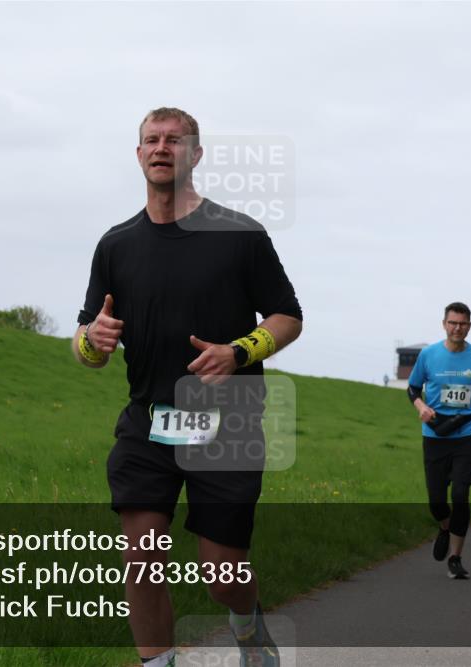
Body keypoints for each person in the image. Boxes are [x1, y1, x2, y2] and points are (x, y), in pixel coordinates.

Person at [73, 107, 303, 667]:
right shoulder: (116, 244)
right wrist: (90, 340)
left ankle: (246, 627)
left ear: (195, 154)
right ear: (138, 154)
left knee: (222, 576)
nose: (161, 147)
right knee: (141, 554)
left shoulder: (240, 234)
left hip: (230, 422)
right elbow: (86, 341)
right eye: (151, 140)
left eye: (174, 140)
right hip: (148, 423)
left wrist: (240, 351)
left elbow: (287, 316)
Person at [407, 302, 471, 580]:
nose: (457, 328)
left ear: (469, 326)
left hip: (468, 433)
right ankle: (444, 527)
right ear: (444, 324)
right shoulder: (428, 355)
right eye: (452, 323)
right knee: (436, 501)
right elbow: (412, 389)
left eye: (463, 324)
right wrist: (421, 407)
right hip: (435, 435)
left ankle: (456, 558)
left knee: (460, 495)